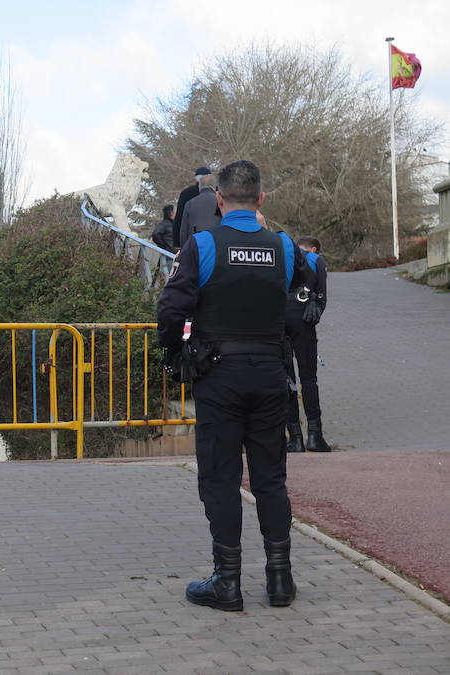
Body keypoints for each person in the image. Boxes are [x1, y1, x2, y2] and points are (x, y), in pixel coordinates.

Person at [157, 160, 313, 612]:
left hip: (219, 375)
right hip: (270, 373)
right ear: (261, 201)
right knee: (270, 479)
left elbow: (171, 310)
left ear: (219, 201)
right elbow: (300, 295)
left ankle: (227, 583)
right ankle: (280, 580)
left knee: (221, 479)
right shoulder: (282, 246)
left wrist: (172, 352)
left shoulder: (202, 244)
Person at [285, 236, 330, 453]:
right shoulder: (314, 259)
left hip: (276, 316)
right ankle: (315, 435)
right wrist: (317, 308)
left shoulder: (270, 253)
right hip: (303, 314)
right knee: (308, 377)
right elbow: (322, 297)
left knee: (286, 379)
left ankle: (294, 437)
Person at [179, 173, 221, 247]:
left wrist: (184, 250)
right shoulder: (221, 202)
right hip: (216, 245)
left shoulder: (189, 204)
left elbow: (183, 232)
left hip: (195, 247)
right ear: (215, 186)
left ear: (199, 186)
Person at [173, 167, 210, 248]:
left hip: (192, 238)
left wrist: (177, 242)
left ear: (196, 178)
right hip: (213, 237)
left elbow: (180, 217)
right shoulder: (218, 193)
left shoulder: (186, 193)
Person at [152, 204, 177, 275]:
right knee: (170, 277)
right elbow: (155, 234)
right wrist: (164, 247)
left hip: (175, 256)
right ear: (171, 213)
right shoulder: (164, 224)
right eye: (176, 211)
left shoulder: (174, 224)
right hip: (169, 256)